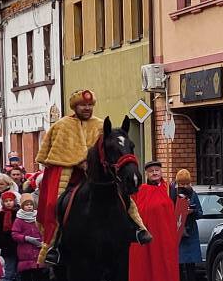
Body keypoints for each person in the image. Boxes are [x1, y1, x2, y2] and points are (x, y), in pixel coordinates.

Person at [36, 88, 150, 264]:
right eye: (83, 105)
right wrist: (77, 162)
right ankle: (54, 246)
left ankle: (138, 229)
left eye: (90, 105)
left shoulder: (100, 125)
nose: (87, 108)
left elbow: (108, 151)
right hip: (72, 178)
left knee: (124, 199)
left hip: (97, 175)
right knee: (54, 203)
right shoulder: (62, 126)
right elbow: (58, 155)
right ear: (75, 106)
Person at [127, 160, 181, 281]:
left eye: (157, 170)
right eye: (151, 171)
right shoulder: (140, 190)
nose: (155, 173)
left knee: (166, 270)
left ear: (161, 172)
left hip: (165, 239)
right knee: (146, 270)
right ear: (147, 174)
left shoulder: (170, 190)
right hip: (146, 238)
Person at [169, 169, 202, 281]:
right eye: (181, 184)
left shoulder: (193, 194)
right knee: (177, 269)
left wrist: (192, 212)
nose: (184, 186)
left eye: (187, 183)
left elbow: (200, 212)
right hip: (177, 234)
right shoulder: (172, 194)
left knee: (190, 268)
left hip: (191, 234)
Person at [12, 195, 45, 281]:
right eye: (26, 205)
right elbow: (15, 234)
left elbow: (43, 230)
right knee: (25, 280)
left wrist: (42, 241)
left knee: (38, 280)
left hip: (38, 252)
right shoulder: (19, 220)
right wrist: (26, 238)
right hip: (25, 253)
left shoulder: (38, 218)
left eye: (31, 204)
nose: (29, 207)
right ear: (22, 206)